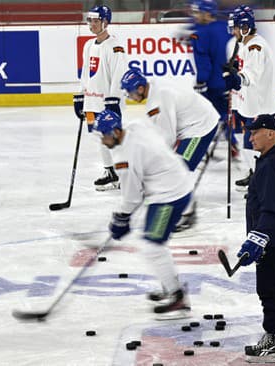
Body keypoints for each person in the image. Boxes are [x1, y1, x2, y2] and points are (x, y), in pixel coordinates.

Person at [93, 110, 193, 320]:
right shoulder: (136, 126)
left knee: (152, 246)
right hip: (174, 181)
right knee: (155, 243)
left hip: (170, 195)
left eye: (105, 135)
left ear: (116, 131)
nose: (103, 141)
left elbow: (132, 198)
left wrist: (121, 218)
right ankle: (170, 285)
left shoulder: (123, 159)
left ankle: (178, 299)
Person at [120, 68, 219, 231]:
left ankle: (186, 214)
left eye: (129, 92)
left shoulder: (157, 101)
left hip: (200, 128)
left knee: (180, 168)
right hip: (192, 122)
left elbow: (167, 139)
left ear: (139, 88)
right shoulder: (152, 88)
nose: (129, 97)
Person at [234, 115, 275, 363]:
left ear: (271, 133)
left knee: (268, 288)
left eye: (255, 132)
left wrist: (257, 238)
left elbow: (270, 207)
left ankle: (273, 339)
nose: (250, 137)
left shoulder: (271, 164)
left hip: (269, 237)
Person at [223, 5, 275, 189]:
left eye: (235, 27)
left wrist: (237, 80)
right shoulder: (243, 44)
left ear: (245, 27)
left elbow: (251, 75)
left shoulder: (256, 47)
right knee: (245, 141)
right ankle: (253, 173)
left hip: (260, 106)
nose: (233, 31)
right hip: (247, 102)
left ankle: (262, 180)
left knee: (257, 144)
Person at [73, 5, 128, 191]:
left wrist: (113, 100)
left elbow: (119, 75)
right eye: (90, 21)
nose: (92, 25)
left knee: (114, 139)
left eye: (96, 21)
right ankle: (110, 172)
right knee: (100, 137)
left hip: (108, 102)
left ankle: (124, 174)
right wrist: (80, 95)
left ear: (105, 22)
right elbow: (86, 74)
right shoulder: (89, 45)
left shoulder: (115, 47)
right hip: (92, 102)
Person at [189, 0, 238, 156]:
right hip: (228, 80)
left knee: (205, 116)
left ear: (207, 13)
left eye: (198, 12)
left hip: (212, 83)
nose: (195, 16)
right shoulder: (226, 28)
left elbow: (203, 61)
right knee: (224, 113)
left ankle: (199, 149)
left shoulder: (199, 33)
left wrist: (201, 81)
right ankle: (233, 142)